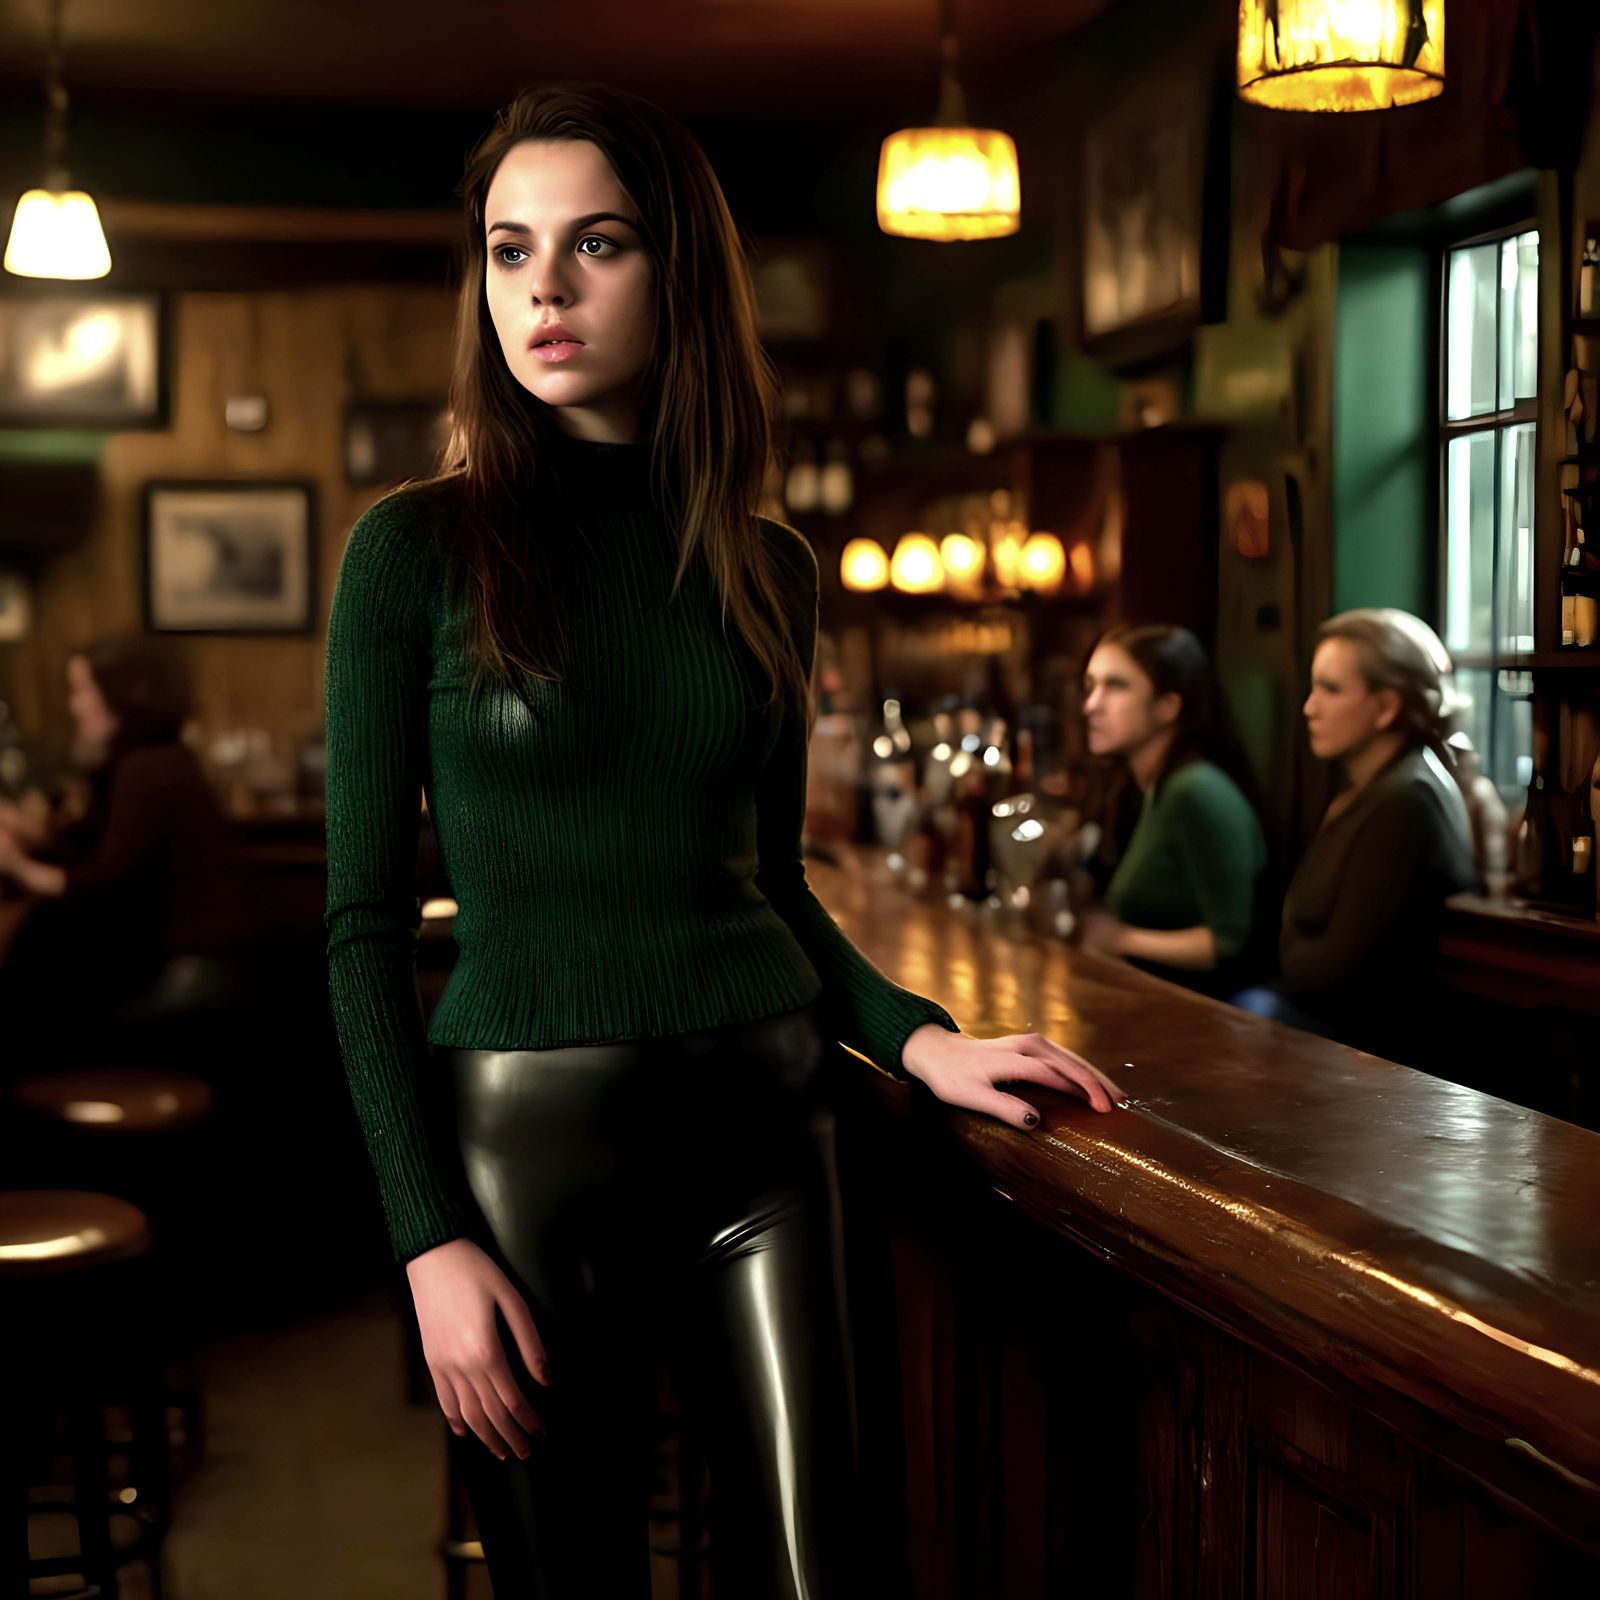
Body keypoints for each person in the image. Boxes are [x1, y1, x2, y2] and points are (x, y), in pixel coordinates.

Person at [321, 82, 1126, 1599]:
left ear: (677, 269)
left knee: (828, 1578)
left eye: (596, 243)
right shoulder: (412, 552)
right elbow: (361, 932)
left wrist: (918, 1038)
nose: (543, 290)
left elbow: (770, 884)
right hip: (528, 1157)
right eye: (509, 250)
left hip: (771, 1125)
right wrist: (426, 1241)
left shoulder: (768, 566)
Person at [1237, 609, 1480, 1058]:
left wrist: (1286, 954)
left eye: (1330, 689)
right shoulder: (1375, 789)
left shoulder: (1407, 800)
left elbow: (1337, 974)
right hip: (1325, 1028)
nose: (1309, 707)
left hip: (1372, 1051)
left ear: (1386, 707)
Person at [0, 634, 224, 1057]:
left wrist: (18, 867)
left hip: (162, 965)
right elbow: (90, 847)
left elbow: (106, 880)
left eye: (82, 690)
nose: (74, 705)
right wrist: (27, 836)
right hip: (155, 955)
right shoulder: (155, 758)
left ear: (125, 695)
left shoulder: (145, 770)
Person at [1076, 624, 1270, 998]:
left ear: (1168, 706)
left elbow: (1230, 942)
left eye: (1116, 686)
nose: (1091, 705)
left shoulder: (1195, 790)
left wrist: (1121, 938)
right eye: (1090, 686)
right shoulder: (1151, 787)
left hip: (1211, 1014)